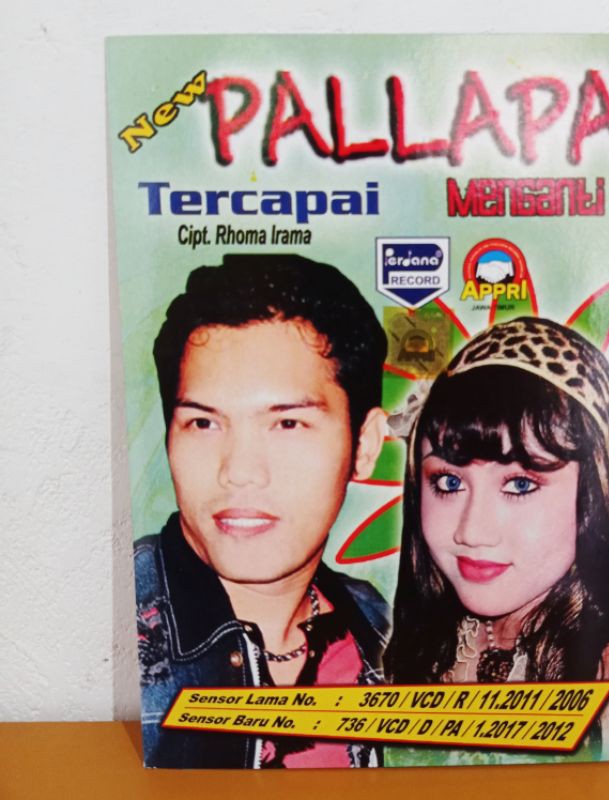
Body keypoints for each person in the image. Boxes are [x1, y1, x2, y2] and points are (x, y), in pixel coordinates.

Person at [135, 253, 389, 768]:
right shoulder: (114, 625)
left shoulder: (382, 627)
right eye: (204, 424)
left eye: (287, 424)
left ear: (364, 446)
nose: (239, 471)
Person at [384, 317, 609, 757]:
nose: (472, 532)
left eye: (521, 485)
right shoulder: (424, 645)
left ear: (602, 485)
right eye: (449, 482)